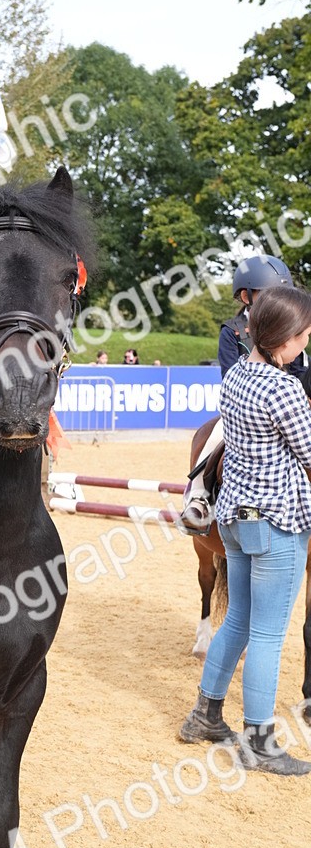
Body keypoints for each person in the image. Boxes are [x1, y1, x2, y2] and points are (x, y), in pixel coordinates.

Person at [178, 285, 311, 775]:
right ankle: (258, 741)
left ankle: (205, 716)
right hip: (276, 521)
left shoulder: (236, 376)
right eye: (304, 334)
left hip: (232, 517)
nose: (307, 342)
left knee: (235, 621)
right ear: (286, 337)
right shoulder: (285, 388)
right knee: (269, 634)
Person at [181, 254, 304, 532]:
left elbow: (298, 372)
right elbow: (229, 376)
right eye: (268, 294)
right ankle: (199, 497)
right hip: (245, 407)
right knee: (214, 434)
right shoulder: (232, 330)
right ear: (247, 296)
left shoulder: (291, 328)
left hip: (287, 404)